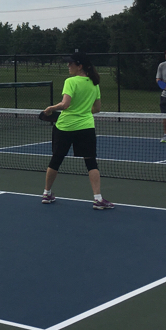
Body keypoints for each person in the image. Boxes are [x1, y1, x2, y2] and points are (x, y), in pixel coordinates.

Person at [40, 50, 114, 210]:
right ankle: (98, 199)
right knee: (91, 162)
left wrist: (51, 108)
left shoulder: (71, 82)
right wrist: (83, 111)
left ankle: (47, 193)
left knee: (56, 159)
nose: (68, 66)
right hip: (85, 127)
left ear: (80, 66)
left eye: (71, 63)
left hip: (65, 126)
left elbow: (65, 104)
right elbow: (97, 108)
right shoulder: (94, 83)